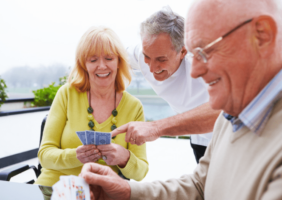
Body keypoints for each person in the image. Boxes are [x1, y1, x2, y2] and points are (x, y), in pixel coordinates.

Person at [79, 0, 282, 199]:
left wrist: (157, 127)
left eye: (205, 51)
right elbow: (200, 186)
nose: (194, 71)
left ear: (262, 36)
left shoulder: (229, 115)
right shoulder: (229, 117)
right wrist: (127, 191)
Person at [35, 26, 148, 187]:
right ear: (84, 64)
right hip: (54, 186)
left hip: (102, 191)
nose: (101, 66)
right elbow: (44, 155)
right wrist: (76, 156)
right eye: (93, 60)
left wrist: (125, 158)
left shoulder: (134, 107)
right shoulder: (66, 94)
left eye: (109, 58)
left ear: (119, 62)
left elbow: (141, 172)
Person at [112, 7, 220, 163]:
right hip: (198, 138)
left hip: (226, 135)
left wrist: (155, 128)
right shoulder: (142, 53)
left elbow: (223, 110)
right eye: (147, 57)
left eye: (161, 60)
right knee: (205, 186)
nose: (152, 68)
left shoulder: (203, 62)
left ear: (183, 52)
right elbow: (108, 56)